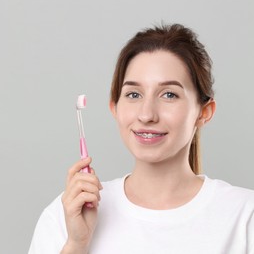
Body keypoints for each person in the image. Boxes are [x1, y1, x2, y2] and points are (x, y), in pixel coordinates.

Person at [28, 23, 254, 254]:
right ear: (114, 108)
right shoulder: (65, 216)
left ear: (204, 112)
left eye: (169, 94)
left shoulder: (245, 216)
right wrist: (77, 245)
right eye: (133, 94)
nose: (147, 115)